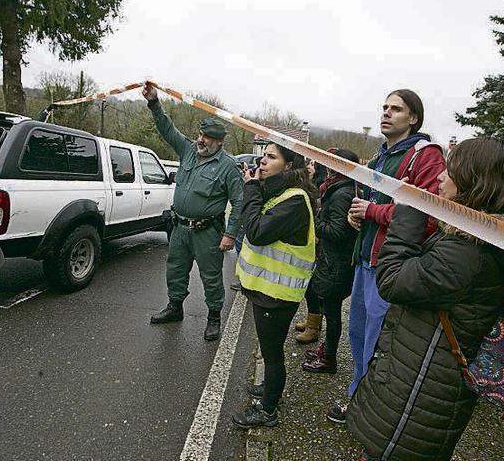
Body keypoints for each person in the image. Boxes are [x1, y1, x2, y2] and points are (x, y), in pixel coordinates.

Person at [346, 137, 504, 460]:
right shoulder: (481, 237)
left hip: (419, 393)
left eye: (450, 170)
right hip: (422, 377)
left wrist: (409, 210)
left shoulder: (466, 252)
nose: (440, 177)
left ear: (475, 182)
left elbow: (393, 280)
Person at [327, 89, 446, 423]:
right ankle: (358, 398)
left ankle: (376, 411)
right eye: (384, 107)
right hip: (364, 262)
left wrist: (374, 212)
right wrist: (357, 216)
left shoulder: (425, 155)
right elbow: (371, 203)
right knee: (360, 337)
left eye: (396, 109)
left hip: (391, 266)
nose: (386, 113)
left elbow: (428, 215)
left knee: (381, 345)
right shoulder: (380, 155)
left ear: (414, 118)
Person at [142, 83, 244, 341]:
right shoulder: (188, 150)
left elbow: (240, 202)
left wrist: (231, 234)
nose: (201, 140)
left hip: (207, 231)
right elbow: (167, 128)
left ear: (219, 141)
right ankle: (175, 307)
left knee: (211, 277)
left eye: (207, 137)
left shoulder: (228, 166)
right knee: (175, 269)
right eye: (200, 134)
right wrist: (154, 102)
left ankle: (213, 318)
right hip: (179, 228)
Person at [231, 142, 318, 428]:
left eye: (271, 157)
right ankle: (270, 390)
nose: (262, 161)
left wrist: (252, 189)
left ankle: (268, 410)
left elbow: (256, 231)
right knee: (271, 351)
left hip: (277, 294)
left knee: (272, 353)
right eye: (263, 155)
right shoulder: (281, 192)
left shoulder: (294, 199)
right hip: (267, 290)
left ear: (289, 165)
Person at [300, 148, 360, 372]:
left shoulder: (342, 193)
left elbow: (338, 231)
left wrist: (314, 221)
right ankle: (326, 350)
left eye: (331, 162)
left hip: (338, 263)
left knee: (333, 313)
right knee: (326, 306)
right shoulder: (338, 188)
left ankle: (329, 359)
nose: (326, 166)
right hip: (332, 260)